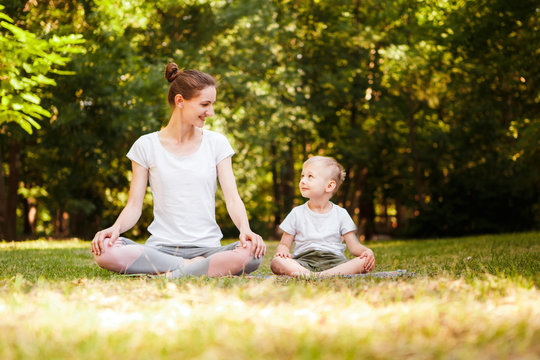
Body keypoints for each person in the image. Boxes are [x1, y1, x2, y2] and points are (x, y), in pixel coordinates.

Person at [91, 63, 265, 277]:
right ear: (180, 101)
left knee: (252, 254)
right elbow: (134, 206)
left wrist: (245, 230)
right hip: (161, 249)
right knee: (105, 251)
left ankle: (175, 272)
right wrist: (115, 229)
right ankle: (194, 267)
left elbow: (233, 199)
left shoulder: (216, 143)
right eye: (205, 104)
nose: (210, 112)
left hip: (208, 249)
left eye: (212, 105)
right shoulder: (146, 145)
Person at [271, 156, 375, 277]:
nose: (303, 181)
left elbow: (354, 247)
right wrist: (282, 251)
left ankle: (319, 275)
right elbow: (284, 244)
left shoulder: (341, 214)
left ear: (329, 186)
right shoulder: (296, 213)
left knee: (363, 263)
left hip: (335, 261)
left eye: (310, 176)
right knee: (277, 262)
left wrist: (366, 252)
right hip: (303, 261)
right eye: (302, 176)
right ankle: (310, 274)